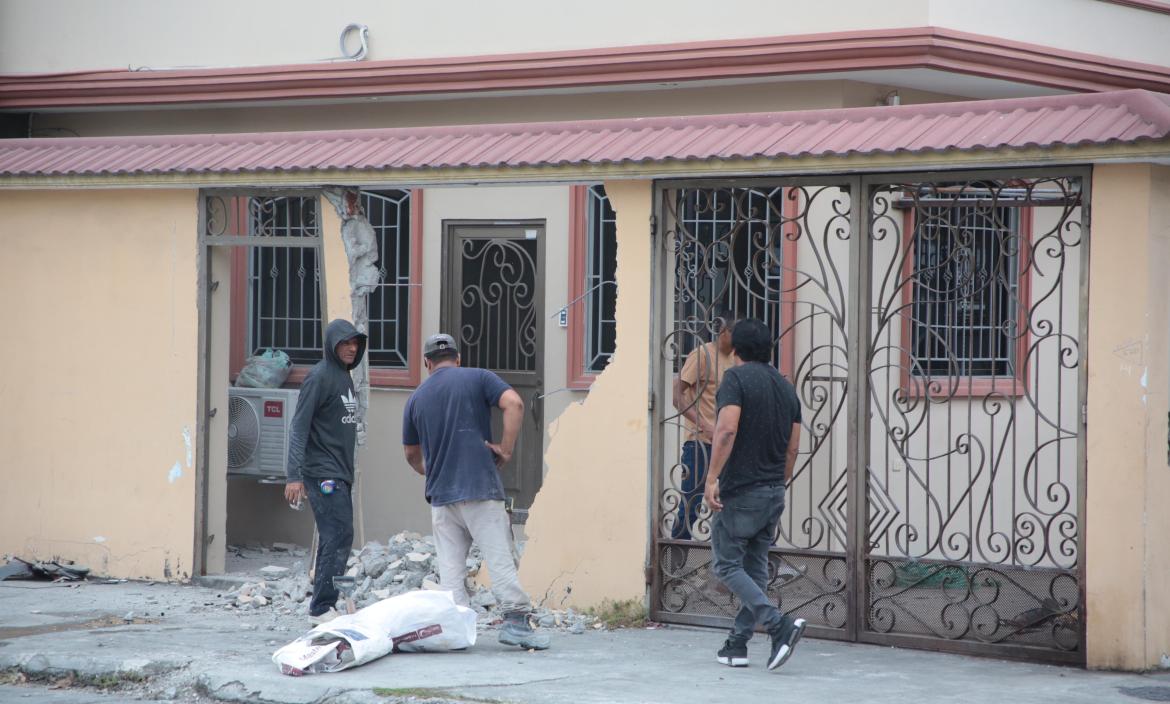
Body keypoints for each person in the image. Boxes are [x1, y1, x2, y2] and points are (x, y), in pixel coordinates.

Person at [401, 333, 550, 650]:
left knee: (451, 572)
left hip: (442, 496)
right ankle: (516, 623)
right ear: (457, 358)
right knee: (499, 559)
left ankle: (455, 631)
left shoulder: (416, 397)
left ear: (427, 363)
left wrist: (434, 470)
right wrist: (505, 450)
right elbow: (515, 403)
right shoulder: (478, 377)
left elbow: (412, 455)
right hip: (480, 489)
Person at [703, 317, 806, 671]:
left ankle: (779, 626)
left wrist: (712, 477)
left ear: (734, 349)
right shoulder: (786, 387)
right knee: (756, 569)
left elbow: (727, 429)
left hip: (742, 490)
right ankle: (737, 645)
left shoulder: (735, 379)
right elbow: (793, 448)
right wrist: (780, 483)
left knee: (727, 564)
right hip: (773, 490)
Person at [284, 319, 367, 624]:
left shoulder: (344, 377)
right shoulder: (318, 377)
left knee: (340, 534)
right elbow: (298, 428)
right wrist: (293, 476)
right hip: (322, 474)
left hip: (339, 472)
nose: (352, 347)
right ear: (333, 344)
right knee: (336, 534)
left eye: (355, 343)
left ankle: (325, 604)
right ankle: (320, 608)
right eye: (345, 342)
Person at [671, 306, 738, 540]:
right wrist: (704, 425)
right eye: (734, 331)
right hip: (700, 444)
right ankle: (672, 569)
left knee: (734, 504)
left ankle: (727, 566)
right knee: (690, 506)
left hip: (728, 444)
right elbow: (677, 397)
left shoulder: (736, 359)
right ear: (722, 331)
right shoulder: (702, 355)